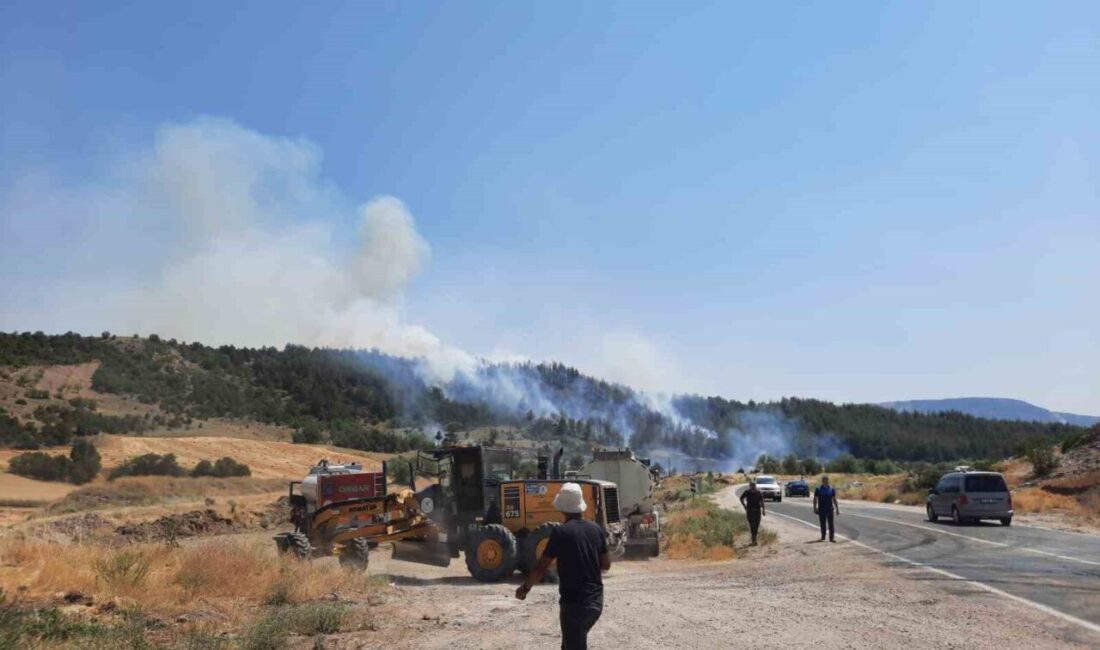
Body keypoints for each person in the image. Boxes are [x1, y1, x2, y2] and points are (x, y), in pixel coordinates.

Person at [515, 482, 611, 650]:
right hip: (595, 603)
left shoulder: (560, 532)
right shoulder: (596, 529)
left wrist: (525, 588)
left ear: (562, 509)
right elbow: (606, 564)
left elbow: (541, 567)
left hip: (574, 605)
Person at [738, 480, 766, 545]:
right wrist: (744, 506)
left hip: (757, 511)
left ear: (755, 486)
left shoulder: (758, 492)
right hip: (750, 511)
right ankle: (754, 540)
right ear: (750, 486)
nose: (753, 486)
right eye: (751, 485)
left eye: (754, 485)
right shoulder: (747, 492)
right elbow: (741, 498)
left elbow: (762, 501)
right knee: (752, 525)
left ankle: (754, 538)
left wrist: (763, 510)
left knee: (757, 525)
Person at [813, 475, 839, 542]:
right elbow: (815, 499)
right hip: (821, 509)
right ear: (822, 481)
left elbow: (834, 499)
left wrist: (837, 508)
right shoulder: (818, 489)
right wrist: (815, 508)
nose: (826, 481)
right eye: (824, 480)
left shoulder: (831, 489)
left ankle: (831, 538)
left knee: (831, 524)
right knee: (823, 523)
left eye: (827, 480)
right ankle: (823, 536)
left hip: (830, 509)